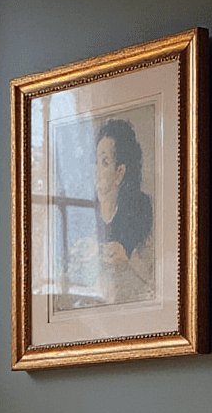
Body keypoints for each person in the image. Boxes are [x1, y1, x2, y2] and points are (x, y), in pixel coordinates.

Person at [65, 116, 154, 305]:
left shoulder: (139, 209)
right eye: (95, 161)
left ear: (120, 172)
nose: (95, 169)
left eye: (104, 162)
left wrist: (127, 258)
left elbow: (152, 277)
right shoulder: (83, 212)